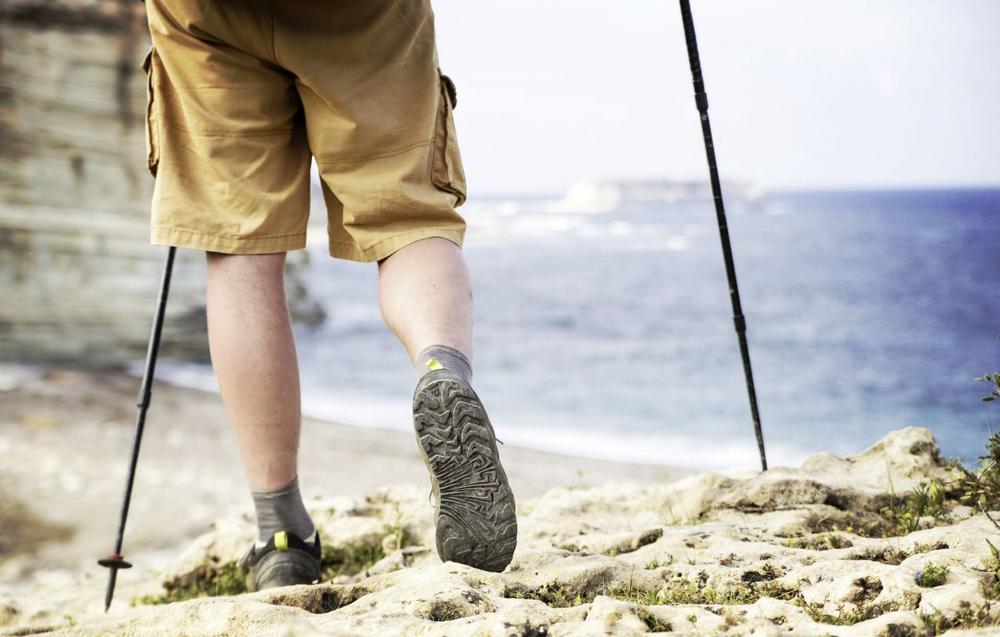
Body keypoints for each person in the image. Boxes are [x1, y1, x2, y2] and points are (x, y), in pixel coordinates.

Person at [141, 0, 517, 589]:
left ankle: (281, 536)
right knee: (407, 221)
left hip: (209, 15)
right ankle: (441, 370)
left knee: (241, 250)